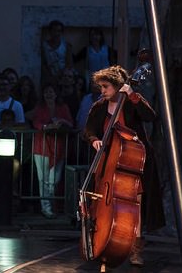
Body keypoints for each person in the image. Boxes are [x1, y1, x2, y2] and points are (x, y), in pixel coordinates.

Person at [82, 65, 164, 267]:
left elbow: (150, 116)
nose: (102, 91)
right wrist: (94, 140)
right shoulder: (99, 107)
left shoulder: (131, 102)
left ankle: (136, 250)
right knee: (101, 202)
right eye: (101, 87)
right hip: (107, 162)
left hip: (131, 162)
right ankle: (103, 243)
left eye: (105, 87)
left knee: (134, 206)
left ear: (118, 86)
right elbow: (89, 130)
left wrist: (132, 94)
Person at [32, 83, 73, 219]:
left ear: (56, 94)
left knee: (55, 179)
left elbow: (70, 123)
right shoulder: (40, 108)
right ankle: (46, 208)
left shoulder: (63, 107)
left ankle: (53, 204)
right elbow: (36, 123)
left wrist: (60, 121)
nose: (49, 94)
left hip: (58, 145)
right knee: (42, 179)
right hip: (41, 146)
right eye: (46, 92)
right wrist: (47, 126)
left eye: (51, 92)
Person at [41, 20, 73, 85]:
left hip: (63, 77)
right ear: (50, 31)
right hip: (49, 77)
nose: (56, 33)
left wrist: (61, 75)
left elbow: (69, 63)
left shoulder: (66, 46)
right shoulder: (44, 46)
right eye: (54, 31)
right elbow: (43, 63)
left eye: (59, 31)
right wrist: (50, 76)